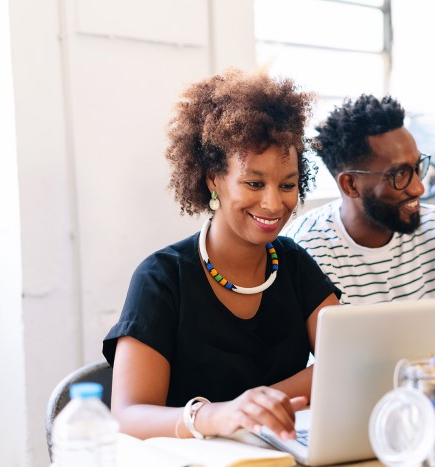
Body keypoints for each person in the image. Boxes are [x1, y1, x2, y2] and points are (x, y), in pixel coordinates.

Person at [103, 69, 341, 441]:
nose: (273, 202)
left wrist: (260, 405)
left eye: (288, 185)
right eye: (254, 183)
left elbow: (346, 362)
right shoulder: (162, 278)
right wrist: (216, 415)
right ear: (214, 177)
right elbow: (129, 415)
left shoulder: (292, 262)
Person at [285, 94, 435, 305]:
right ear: (350, 185)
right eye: (399, 174)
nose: (419, 188)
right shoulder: (307, 247)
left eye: (417, 167)